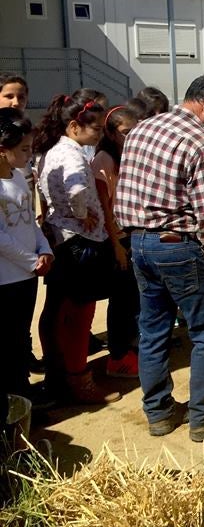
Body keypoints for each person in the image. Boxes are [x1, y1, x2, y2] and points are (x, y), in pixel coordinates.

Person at [115, 74, 204, 441]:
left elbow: (124, 189)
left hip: (140, 242)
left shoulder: (142, 129)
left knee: (154, 328)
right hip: (180, 244)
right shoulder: (201, 144)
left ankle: (159, 411)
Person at [34, 92, 119, 405]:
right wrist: (83, 212)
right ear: (74, 126)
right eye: (95, 128)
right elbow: (76, 187)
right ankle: (78, 377)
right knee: (79, 313)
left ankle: (64, 375)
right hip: (79, 242)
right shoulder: (70, 155)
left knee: (62, 312)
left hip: (64, 238)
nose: (99, 133)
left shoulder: (50, 150)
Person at [0, 109, 53, 413]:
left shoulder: (19, 178)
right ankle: (13, 403)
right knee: (7, 344)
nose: (29, 155)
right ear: (2, 150)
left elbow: (30, 223)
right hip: (8, 277)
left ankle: (25, 397)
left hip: (27, 274)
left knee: (20, 338)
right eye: (23, 150)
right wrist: (31, 260)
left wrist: (44, 248)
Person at [91, 105, 142, 379]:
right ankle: (118, 357)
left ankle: (131, 347)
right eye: (125, 133)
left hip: (131, 236)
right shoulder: (104, 161)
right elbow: (103, 210)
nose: (130, 137)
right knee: (120, 301)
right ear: (111, 133)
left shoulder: (127, 156)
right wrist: (117, 247)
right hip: (117, 241)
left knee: (133, 297)